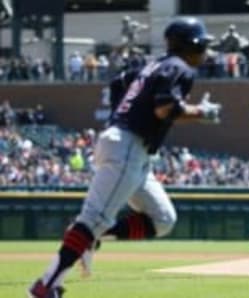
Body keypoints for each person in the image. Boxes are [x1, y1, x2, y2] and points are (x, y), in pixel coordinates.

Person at [28, 17, 220, 298]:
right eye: (202, 44)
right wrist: (203, 113)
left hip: (130, 146)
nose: (205, 51)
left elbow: (119, 83)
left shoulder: (154, 64)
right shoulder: (179, 66)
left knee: (163, 219)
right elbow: (165, 109)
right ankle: (46, 285)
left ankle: (89, 237)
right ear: (190, 44)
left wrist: (122, 117)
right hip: (128, 145)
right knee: (93, 219)